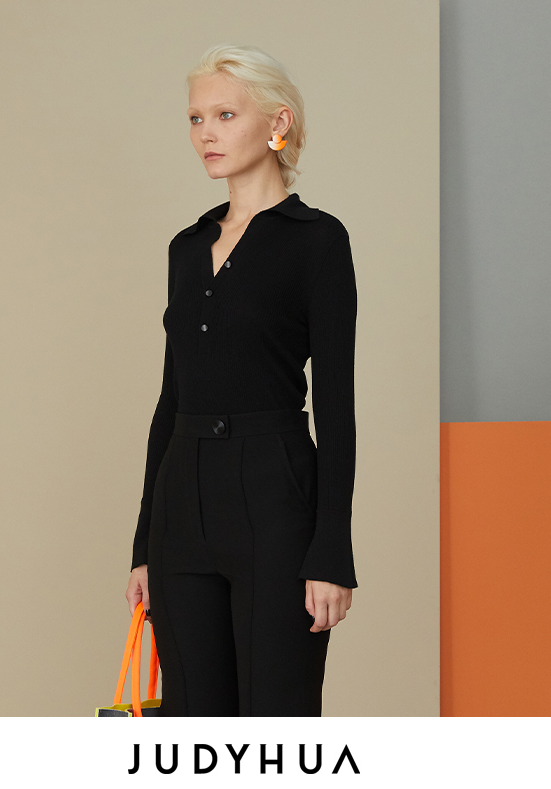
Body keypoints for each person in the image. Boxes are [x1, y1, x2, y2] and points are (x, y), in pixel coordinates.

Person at [124, 43, 357, 716]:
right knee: (191, 722)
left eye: (225, 115)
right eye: (196, 118)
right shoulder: (187, 248)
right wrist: (144, 546)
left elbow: (335, 406)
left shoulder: (317, 241)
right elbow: (171, 401)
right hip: (182, 505)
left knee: (276, 721)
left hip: (274, 497)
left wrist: (331, 553)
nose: (207, 133)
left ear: (278, 123)